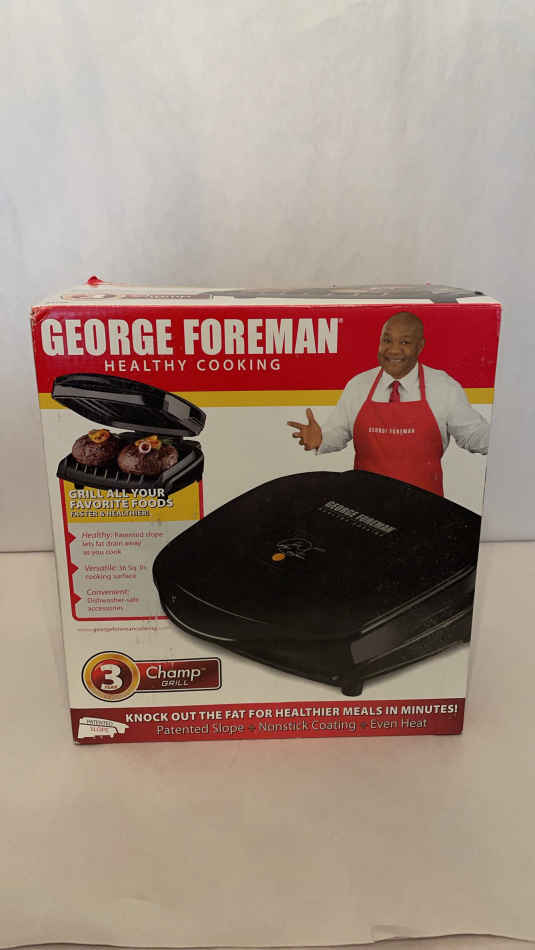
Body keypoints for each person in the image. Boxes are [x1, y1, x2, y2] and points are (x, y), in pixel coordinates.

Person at [287, 311, 489, 496]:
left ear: (420, 346)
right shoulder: (358, 385)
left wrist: (501, 438)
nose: (393, 350)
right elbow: (337, 433)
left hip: (425, 508)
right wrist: (320, 439)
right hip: (366, 505)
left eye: (404, 342)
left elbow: (472, 434)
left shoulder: (443, 387)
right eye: (387, 340)